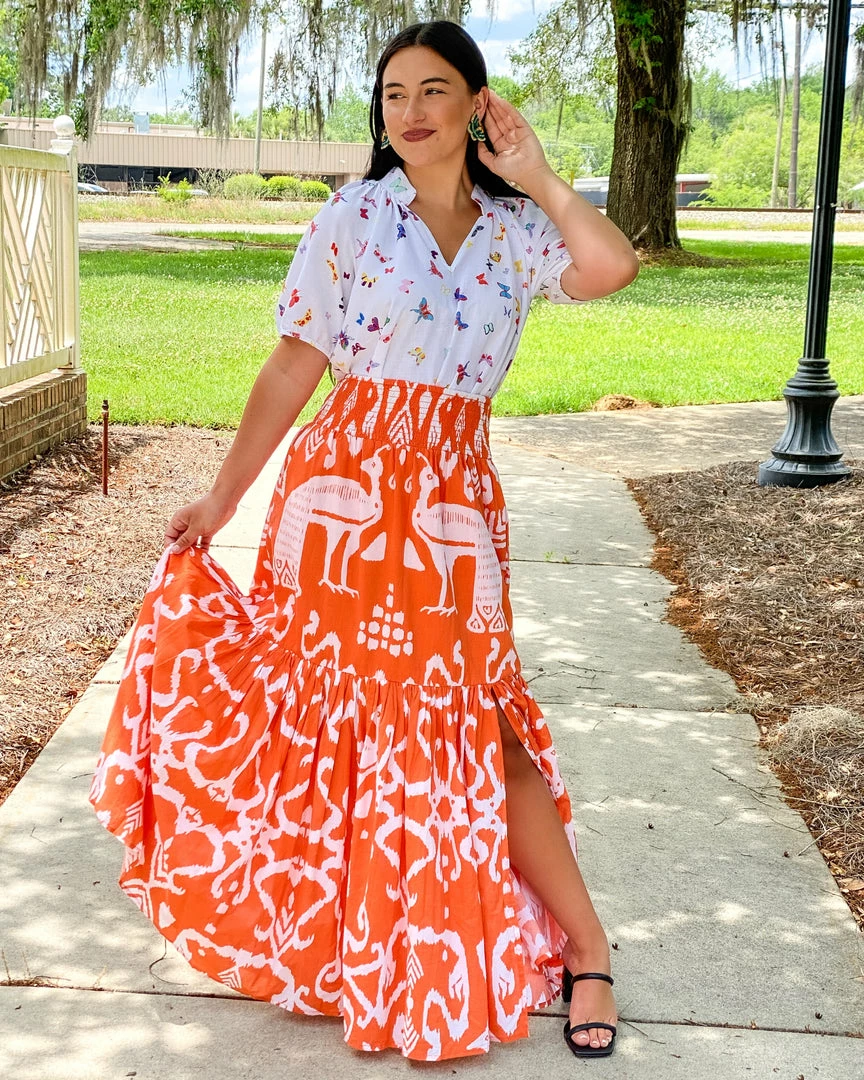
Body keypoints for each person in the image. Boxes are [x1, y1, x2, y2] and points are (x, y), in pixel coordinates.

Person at [88, 18, 639, 1064]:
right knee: (327, 723)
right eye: (394, 95)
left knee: (484, 726)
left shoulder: (519, 231)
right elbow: (294, 368)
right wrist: (220, 500)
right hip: (338, 499)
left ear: (477, 104)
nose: (412, 112)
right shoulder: (353, 217)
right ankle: (355, 939)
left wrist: (541, 174)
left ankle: (590, 948)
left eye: (436, 90)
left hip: (449, 512)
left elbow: (611, 266)